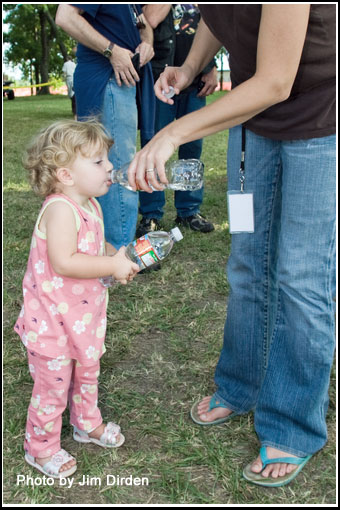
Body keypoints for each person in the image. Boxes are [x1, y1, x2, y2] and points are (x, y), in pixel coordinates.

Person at [127, 5, 336, 487]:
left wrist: (171, 133)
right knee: (247, 262)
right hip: (252, 130)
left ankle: (293, 423)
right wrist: (189, 66)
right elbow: (219, 17)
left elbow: (275, 81)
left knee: (300, 277)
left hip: (321, 121)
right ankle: (241, 385)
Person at [14, 119, 140, 478]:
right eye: (98, 162)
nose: (110, 168)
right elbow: (65, 260)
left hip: (83, 320)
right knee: (52, 388)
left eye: (107, 160)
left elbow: (96, 248)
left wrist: (119, 257)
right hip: (51, 325)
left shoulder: (91, 206)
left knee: (87, 374)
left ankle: (87, 423)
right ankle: (40, 448)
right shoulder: (59, 210)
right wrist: (110, 265)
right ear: (66, 175)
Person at [56, 4, 155, 250]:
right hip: (108, 78)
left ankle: (106, 244)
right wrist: (112, 51)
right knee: (117, 166)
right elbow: (65, 16)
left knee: (112, 163)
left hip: (121, 79)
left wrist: (147, 43)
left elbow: (143, 25)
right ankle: (119, 251)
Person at [136, 4, 218, 238]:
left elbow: (212, 27)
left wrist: (210, 67)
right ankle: (151, 213)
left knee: (192, 147)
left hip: (194, 81)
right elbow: (149, 19)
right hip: (159, 77)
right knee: (153, 145)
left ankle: (189, 210)